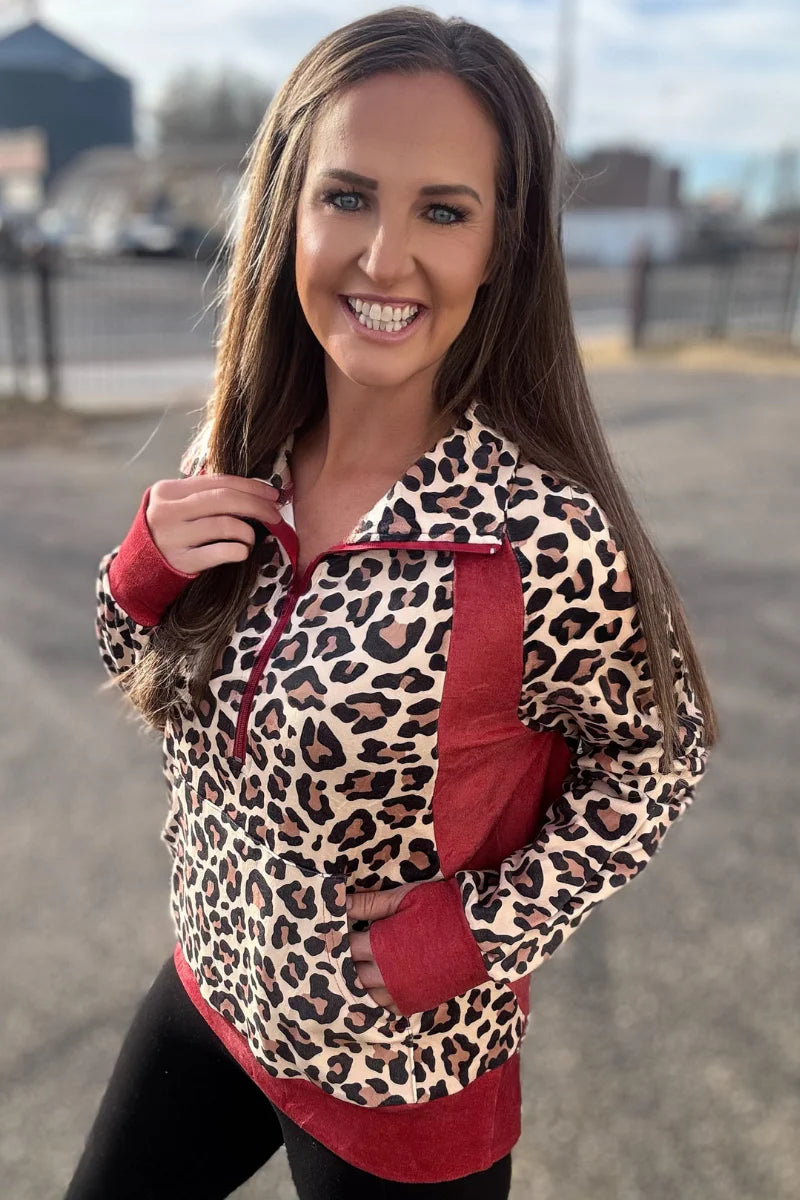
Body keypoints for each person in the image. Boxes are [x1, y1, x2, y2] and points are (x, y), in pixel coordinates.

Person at [66, 6, 718, 1198]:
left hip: (398, 1075)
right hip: (215, 990)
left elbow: (655, 761)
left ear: (498, 245)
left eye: (442, 211)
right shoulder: (238, 459)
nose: (382, 258)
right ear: (289, 210)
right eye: (348, 196)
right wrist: (137, 575)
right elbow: (137, 672)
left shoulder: (541, 536)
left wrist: (479, 931)